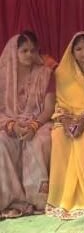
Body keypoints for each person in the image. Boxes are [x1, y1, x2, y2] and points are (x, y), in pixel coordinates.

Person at [46, 33, 84, 219]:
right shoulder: (62, 73)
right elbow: (60, 104)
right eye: (79, 49)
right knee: (58, 136)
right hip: (68, 118)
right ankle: (60, 198)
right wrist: (65, 121)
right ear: (72, 52)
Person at [0, 31, 55, 218]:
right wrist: (12, 126)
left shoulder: (45, 74)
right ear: (14, 52)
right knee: (1, 143)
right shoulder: (2, 77)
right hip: (9, 123)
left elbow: (48, 108)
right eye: (24, 51)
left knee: (39, 141)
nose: (29, 55)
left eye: (33, 50)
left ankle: (37, 199)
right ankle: (12, 201)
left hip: (39, 122)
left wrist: (33, 126)